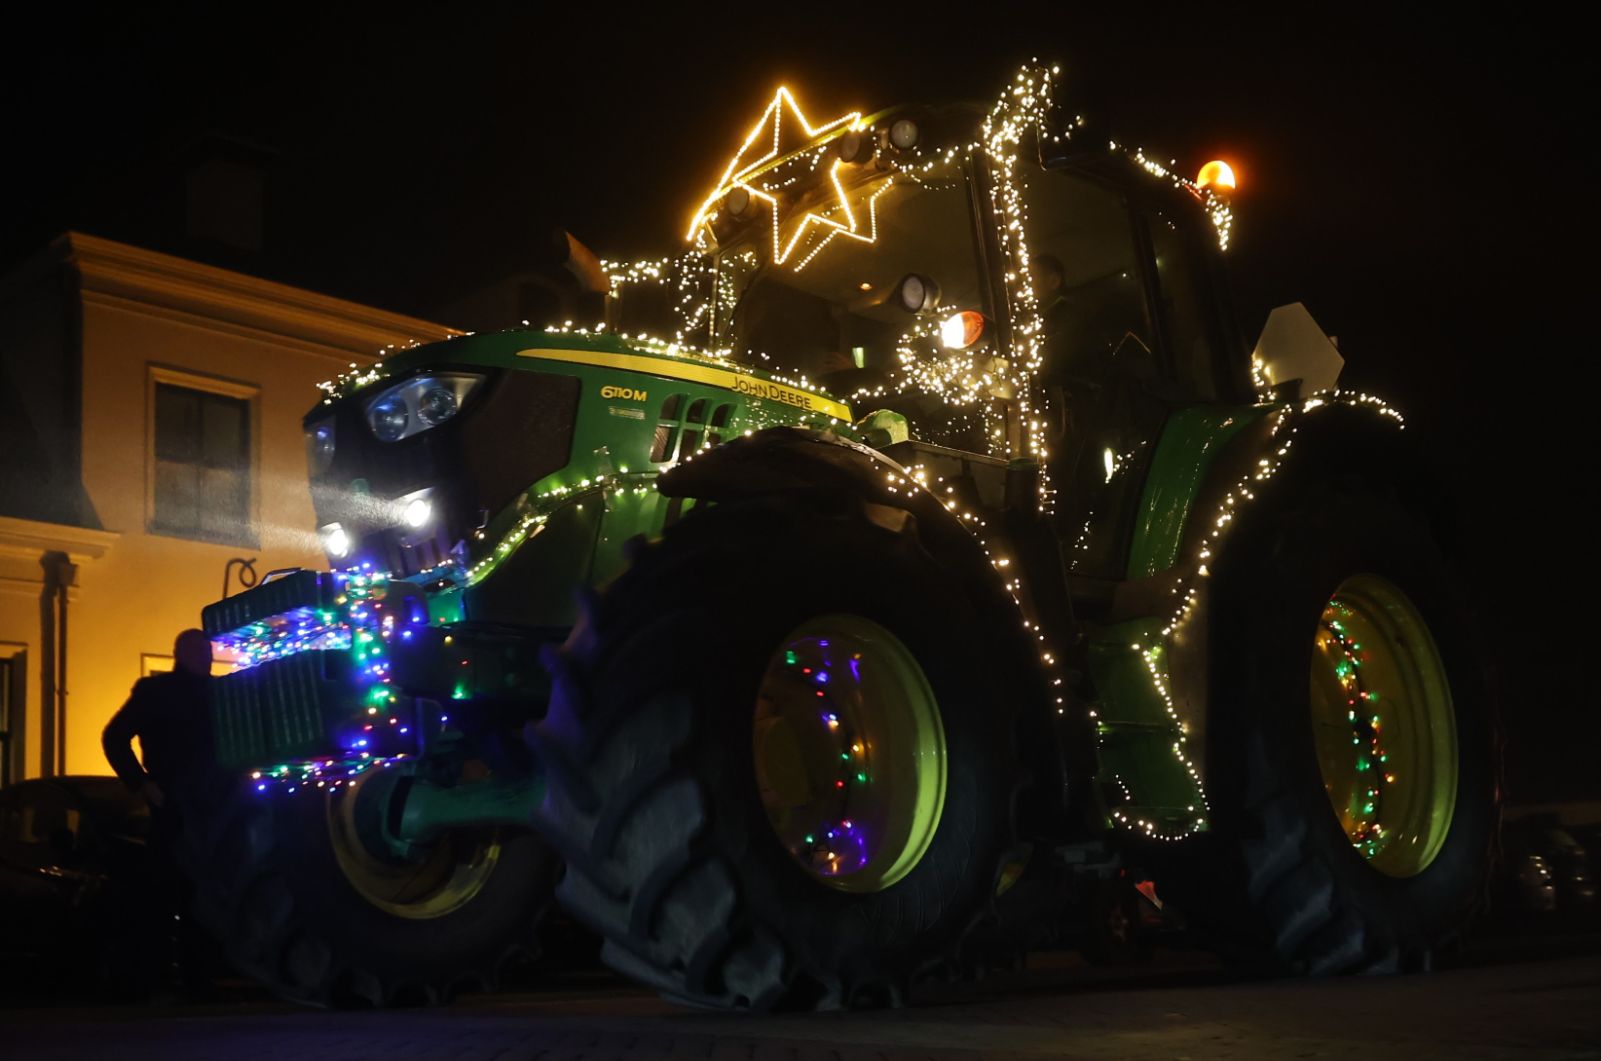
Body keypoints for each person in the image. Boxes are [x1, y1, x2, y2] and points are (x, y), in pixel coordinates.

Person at [102, 628, 217, 995]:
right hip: (174, 802)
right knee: (165, 892)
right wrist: (143, 784)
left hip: (213, 806)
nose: (207, 658)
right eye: (199, 652)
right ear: (180, 654)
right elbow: (114, 737)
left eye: (208, 651)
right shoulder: (156, 692)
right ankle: (161, 979)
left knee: (201, 892)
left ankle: (197, 981)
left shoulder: (220, 692)